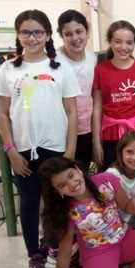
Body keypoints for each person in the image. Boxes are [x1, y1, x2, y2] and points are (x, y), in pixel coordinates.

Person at [0, 9, 80, 268]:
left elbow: (72, 112)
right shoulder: (8, 69)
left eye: (38, 32)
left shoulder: (60, 68)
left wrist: (69, 152)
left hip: (55, 149)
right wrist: (11, 151)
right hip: (22, 151)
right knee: (30, 203)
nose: (32, 38)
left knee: (56, 202)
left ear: (47, 35)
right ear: (18, 35)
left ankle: (55, 244)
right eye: (26, 32)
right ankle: (35, 255)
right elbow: (3, 114)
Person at [92, 21, 135, 170]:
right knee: (112, 177)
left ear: (134, 44)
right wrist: (96, 142)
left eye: (129, 43)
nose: (124, 47)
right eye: (118, 42)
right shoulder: (100, 70)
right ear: (109, 41)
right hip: (111, 134)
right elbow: (97, 108)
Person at [56, 9, 97, 168]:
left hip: (85, 129)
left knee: (81, 177)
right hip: (61, 132)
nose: (75, 38)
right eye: (68, 34)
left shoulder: (92, 57)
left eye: (79, 32)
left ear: (88, 31)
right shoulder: (54, 61)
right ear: (61, 35)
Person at [105, 130, 135, 225]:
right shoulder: (112, 175)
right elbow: (127, 208)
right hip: (116, 224)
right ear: (120, 153)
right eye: (129, 152)